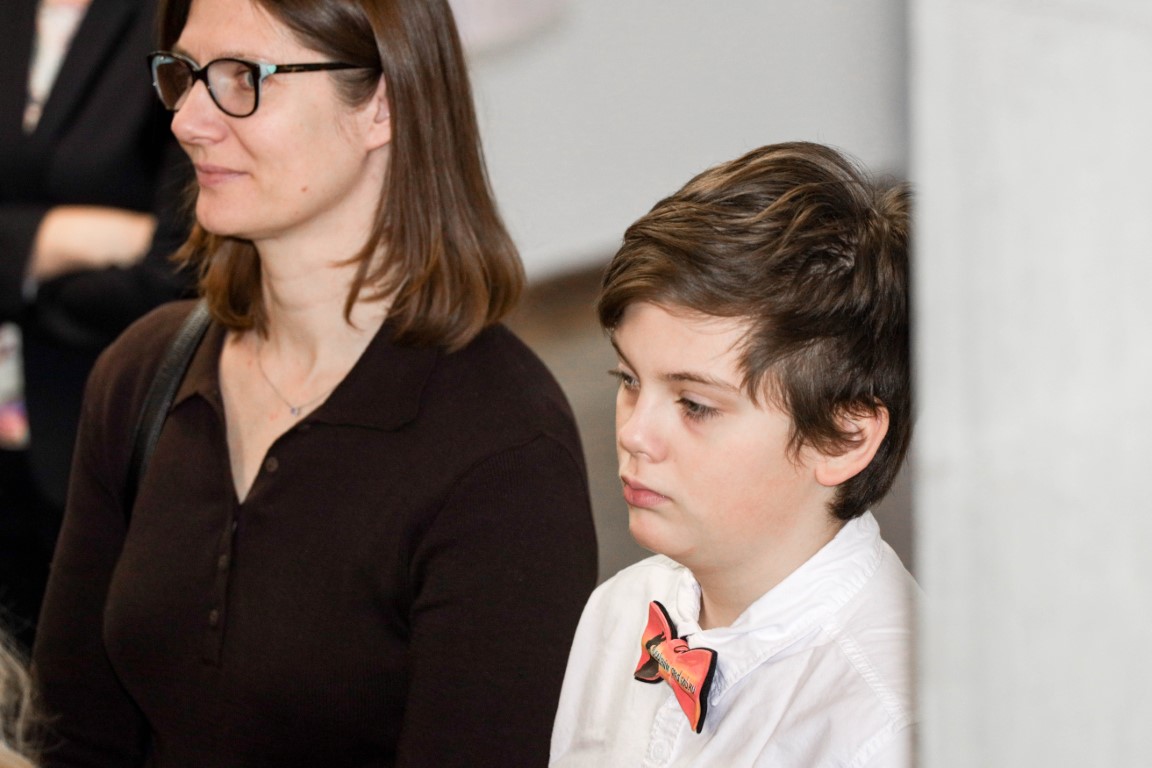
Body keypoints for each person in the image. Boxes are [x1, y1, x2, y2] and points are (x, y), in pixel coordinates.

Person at [32, 0, 598, 765]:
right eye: (185, 74)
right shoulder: (142, 374)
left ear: (382, 106)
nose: (188, 121)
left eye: (243, 77)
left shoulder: (505, 447)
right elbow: (75, 738)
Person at [550, 142, 918, 766]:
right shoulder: (623, 608)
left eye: (695, 405)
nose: (635, 433)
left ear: (844, 437)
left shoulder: (887, 729)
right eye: (629, 380)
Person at [0, 0, 195, 650]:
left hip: (106, 437)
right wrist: (66, 235)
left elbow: (180, 270)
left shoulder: (176, 21)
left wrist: (21, 281)